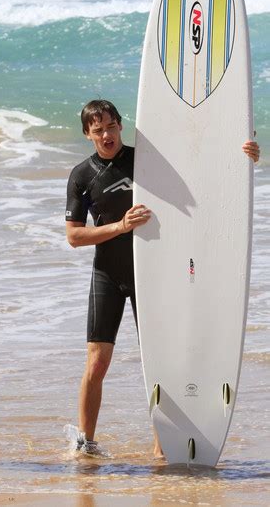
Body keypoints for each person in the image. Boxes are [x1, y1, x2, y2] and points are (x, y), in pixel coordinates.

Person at [65, 99, 260, 457]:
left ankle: (162, 443)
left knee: (158, 361)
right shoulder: (82, 175)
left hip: (152, 271)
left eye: (111, 126)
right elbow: (74, 236)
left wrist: (243, 155)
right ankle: (85, 442)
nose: (106, 135)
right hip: (107, 273)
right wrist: (120, 226)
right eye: (98, 130)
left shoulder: (146, 162)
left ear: (120, 126)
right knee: (97, 361)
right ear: (87, 134)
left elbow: (199, 180)